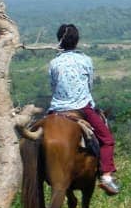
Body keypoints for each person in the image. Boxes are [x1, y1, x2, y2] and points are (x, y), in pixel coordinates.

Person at [49, 23, 119, 195]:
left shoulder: (54, 63)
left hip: (57, 109)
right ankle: (106, 177)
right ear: (77, 41)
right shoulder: (86, 60)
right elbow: (89, 85)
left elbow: (53, 85)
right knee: (107, 139)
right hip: (82, 107)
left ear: (59, 41)